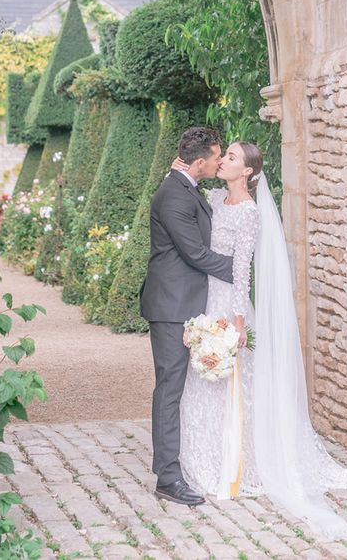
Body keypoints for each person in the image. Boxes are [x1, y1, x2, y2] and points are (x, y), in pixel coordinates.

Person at [172, 141, 347, 539]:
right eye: (225, 156)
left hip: (227, 303)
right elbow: (188, 193)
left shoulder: (250, 214)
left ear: (248, 172)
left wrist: (237, 320)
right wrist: (180, 169)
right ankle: (201, 460)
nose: (224, 161)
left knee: (237, 385)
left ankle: (240, 464)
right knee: (201, 383)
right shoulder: (215, 196)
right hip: (202, 297)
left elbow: (241, 269)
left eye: (231, 158)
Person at [140, 127, 234, 507]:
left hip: (189, 303)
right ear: (199, 162)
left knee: (184, 389)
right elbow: (195, 254)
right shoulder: (174, 197)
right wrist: (242, 268)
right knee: (170, 389)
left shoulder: (184, 186)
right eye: (215, 157)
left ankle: (189, 460)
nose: (219, 161)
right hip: (171, 307)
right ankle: (167, 476)